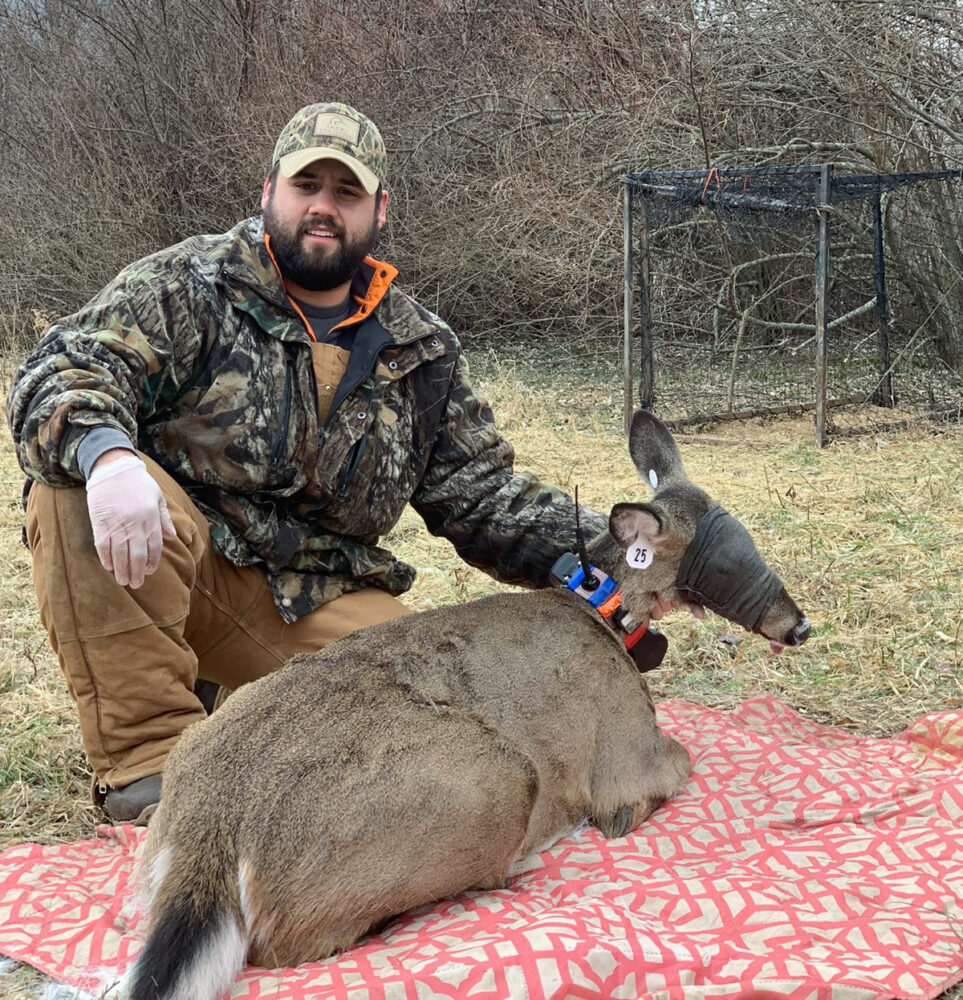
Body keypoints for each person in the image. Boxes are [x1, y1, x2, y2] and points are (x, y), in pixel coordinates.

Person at [5, 102, 610, 826]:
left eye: (346, 192)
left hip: (309, 594)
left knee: (451, 726)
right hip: (169, 562)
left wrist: (621, 552)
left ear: (379, 210)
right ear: (269, 193)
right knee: (71, 486)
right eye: (306, 186)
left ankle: (244, 723)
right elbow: (67, 368)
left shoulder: (420, 348)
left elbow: (482, 499)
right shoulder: (189, 285)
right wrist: (107, 458)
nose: (323, 207)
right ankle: (150, 773)